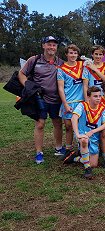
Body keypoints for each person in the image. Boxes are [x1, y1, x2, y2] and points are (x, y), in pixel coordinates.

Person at [18, 35, 65, 164]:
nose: (51, 47)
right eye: (48, 44)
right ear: (43, 45)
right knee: (40, 124)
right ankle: (39, 153)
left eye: (54, 45)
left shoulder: (60, 62)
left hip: (56, 98)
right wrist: (28, 85)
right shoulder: (34, 60)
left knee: (57, 123)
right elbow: (21, 74)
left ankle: (59, 148)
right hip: (40, 98)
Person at [65, 86, 105, 179]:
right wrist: (77, 134)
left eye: (99, 96)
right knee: (84, 140)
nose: (98, 98)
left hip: (93, 137)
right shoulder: (82, 105)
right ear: (89, 97)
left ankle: (75, 158)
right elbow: (74, 118)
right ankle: (87, 169)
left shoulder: (102, 108)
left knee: (94, 164)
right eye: (95, 96)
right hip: (82, 134)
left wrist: (93, 131)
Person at [57, 44, 84, 155]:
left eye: (75, 53)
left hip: (81, 102)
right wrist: (65, 104)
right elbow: (60, 88)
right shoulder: (61, 69)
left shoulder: (83, 65)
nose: (73, 55)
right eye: (71, 53)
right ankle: (68, 149)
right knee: (68, 127)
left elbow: (98, 62)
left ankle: (82, 149)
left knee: (80, 126)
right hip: (68, 102)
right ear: (66, 54)